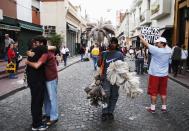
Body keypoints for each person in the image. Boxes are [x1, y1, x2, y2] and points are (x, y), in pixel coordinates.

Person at [26, 43, 58, 127]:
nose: (36, 46)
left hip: (51, 78)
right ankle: (48, 114)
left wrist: (27, 62)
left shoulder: (45, 53)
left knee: (52, 98)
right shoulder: (41, 52)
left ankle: (54, 117)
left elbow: (37, 65)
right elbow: (30, 52)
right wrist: (28, 53)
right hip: (45, 79)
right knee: (46, 98)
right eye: (35, 44)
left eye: (38, 44)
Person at [138, 35, 172, 113]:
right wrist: (161, 43)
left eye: (158, 42)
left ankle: (152, 108)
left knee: (154, 92)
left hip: (155, 75)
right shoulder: (169, 50)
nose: (156, 44)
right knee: (163, 92)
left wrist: (141, 37)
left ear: (162, 43)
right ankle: (164, 108)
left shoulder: (156, 50)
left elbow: (146, 44)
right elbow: (166, 46)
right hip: (164, 75)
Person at [98, 37, 124, 121]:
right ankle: (104, 112)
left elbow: (123, 66)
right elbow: (99, 64)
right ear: (109, 43)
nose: (113, 44)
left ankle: (110, 112)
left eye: (114, 42)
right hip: (105, 78)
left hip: (116, 78)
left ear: (116, 44)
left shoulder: (119, 54)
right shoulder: (104, 53)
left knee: (114, 95)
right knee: (106, 95)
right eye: (111, 42)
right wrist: (100, 56)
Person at [26, 36, 48, 131]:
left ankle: (37, 121)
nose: (37, 44)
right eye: (36, 43)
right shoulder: (41, 49)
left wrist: (27, 62)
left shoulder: (31, 52)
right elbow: (37, 65)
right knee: (37, 102)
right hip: (37, 81)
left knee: (36, 102)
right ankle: (36, 124)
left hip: (33, 80)